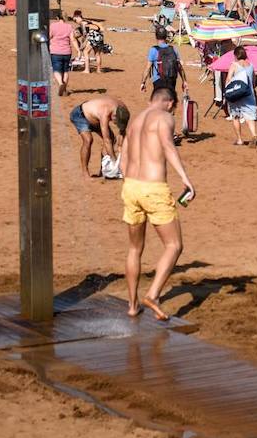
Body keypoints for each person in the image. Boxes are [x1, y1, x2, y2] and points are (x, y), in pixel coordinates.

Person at [120, 87, 194, 321]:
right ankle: (152, 295)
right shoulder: (165, 117)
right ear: (170, 103)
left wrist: (131, 183)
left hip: (131, 186)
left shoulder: (135, 120)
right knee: (174, 245)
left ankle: (132, 306)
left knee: (134, 249)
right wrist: (185, 178)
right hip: (154, 189)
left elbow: (123, 159)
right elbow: (167, 146)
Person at [69, 95, 130, 180]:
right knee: (88, 140)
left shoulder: (123, 111)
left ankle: (103, 170)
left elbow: (122, 132)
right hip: (80, 115)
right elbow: (106, 140)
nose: (116, 125)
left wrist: (121, 149)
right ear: (114, 116)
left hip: (95, 119)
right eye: (116, 123)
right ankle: (85, 173)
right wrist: (115, 162)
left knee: (112, 139)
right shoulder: (105, 112)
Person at [225, 44, 257, 146]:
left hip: (236, 93)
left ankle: (240, 139)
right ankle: (254, 135)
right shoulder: (251, 66)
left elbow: (228, 79)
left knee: (236, 116)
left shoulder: (234, 65)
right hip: (248, 93)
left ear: (236, 55)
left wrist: (226, 92)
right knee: (249, 116)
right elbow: (253, 82)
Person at [141, 29, 187, 98]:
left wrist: (143, 83)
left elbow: (147, 68)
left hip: (158, 81)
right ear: (166, 36)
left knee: (159, 103)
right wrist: (184, 81)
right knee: (169, 102)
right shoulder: (174, 49)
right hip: (171, 79)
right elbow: (180, 67)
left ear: (156, 36)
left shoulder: (153, 50)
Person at [47, 9, 77, 96]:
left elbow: (49, 37)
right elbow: (73, 39)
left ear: (57, 17)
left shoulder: (53, 26)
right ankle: (64, 90)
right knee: (66, 71)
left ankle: (60, 83)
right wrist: (78, 50)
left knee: (56, 70)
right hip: (67, 51)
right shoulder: (69, 26)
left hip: (55, 51)